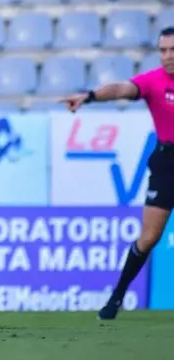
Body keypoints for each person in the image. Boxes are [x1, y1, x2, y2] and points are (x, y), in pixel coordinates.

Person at [61, 27, 174, 320]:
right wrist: (89, 96)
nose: (168, 56)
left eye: (173, 50)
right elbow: (121, 89)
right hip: (168, 162)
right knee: (149, 237)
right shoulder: (153, 81)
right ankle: (116, 298)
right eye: (163, 50)